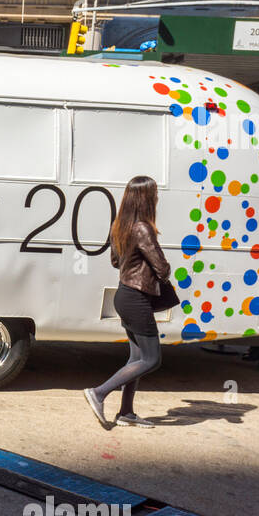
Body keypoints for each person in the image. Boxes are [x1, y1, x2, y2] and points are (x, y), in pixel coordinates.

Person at [84, 175, 172, 428]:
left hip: (124, 294)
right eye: (154, 193)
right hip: (136, 297)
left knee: (136, 358)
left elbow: (115, 261)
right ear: (146, 198)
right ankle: (99, 392)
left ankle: (126, 413)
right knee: (152, 358)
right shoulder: (143, 228)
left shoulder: (119, 226)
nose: (157, 197)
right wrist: (160, 268)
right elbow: (162, 268)